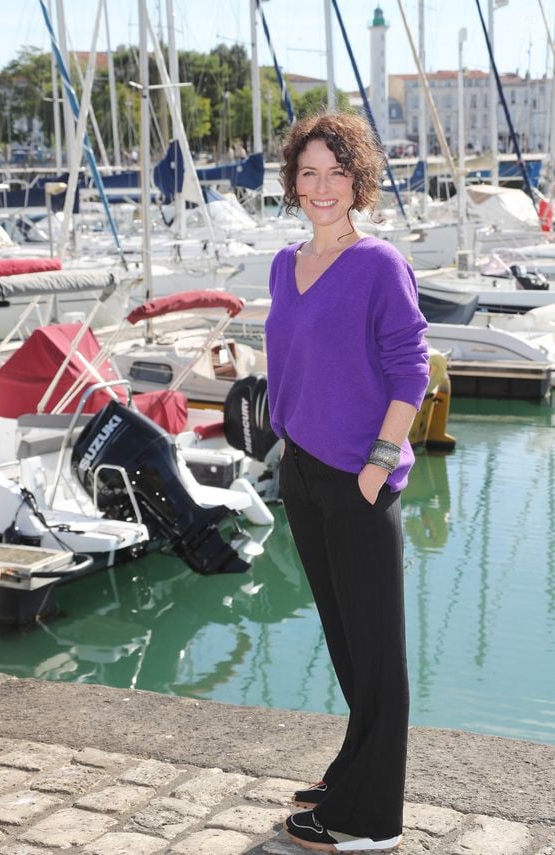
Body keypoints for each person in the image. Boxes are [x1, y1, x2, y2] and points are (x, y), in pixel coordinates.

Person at [264, 111, 430, 853]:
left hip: (360, 480)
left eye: (336, 171)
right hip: (302, 473)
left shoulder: (379, 264)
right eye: (309, 172)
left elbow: (411, 370)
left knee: (379, 651)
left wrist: (375, 464)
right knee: (344, 640)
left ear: (357, 179)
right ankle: (354, 770)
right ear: (293, 181)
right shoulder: (282, 264)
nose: (322, 186)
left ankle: (370, 821)